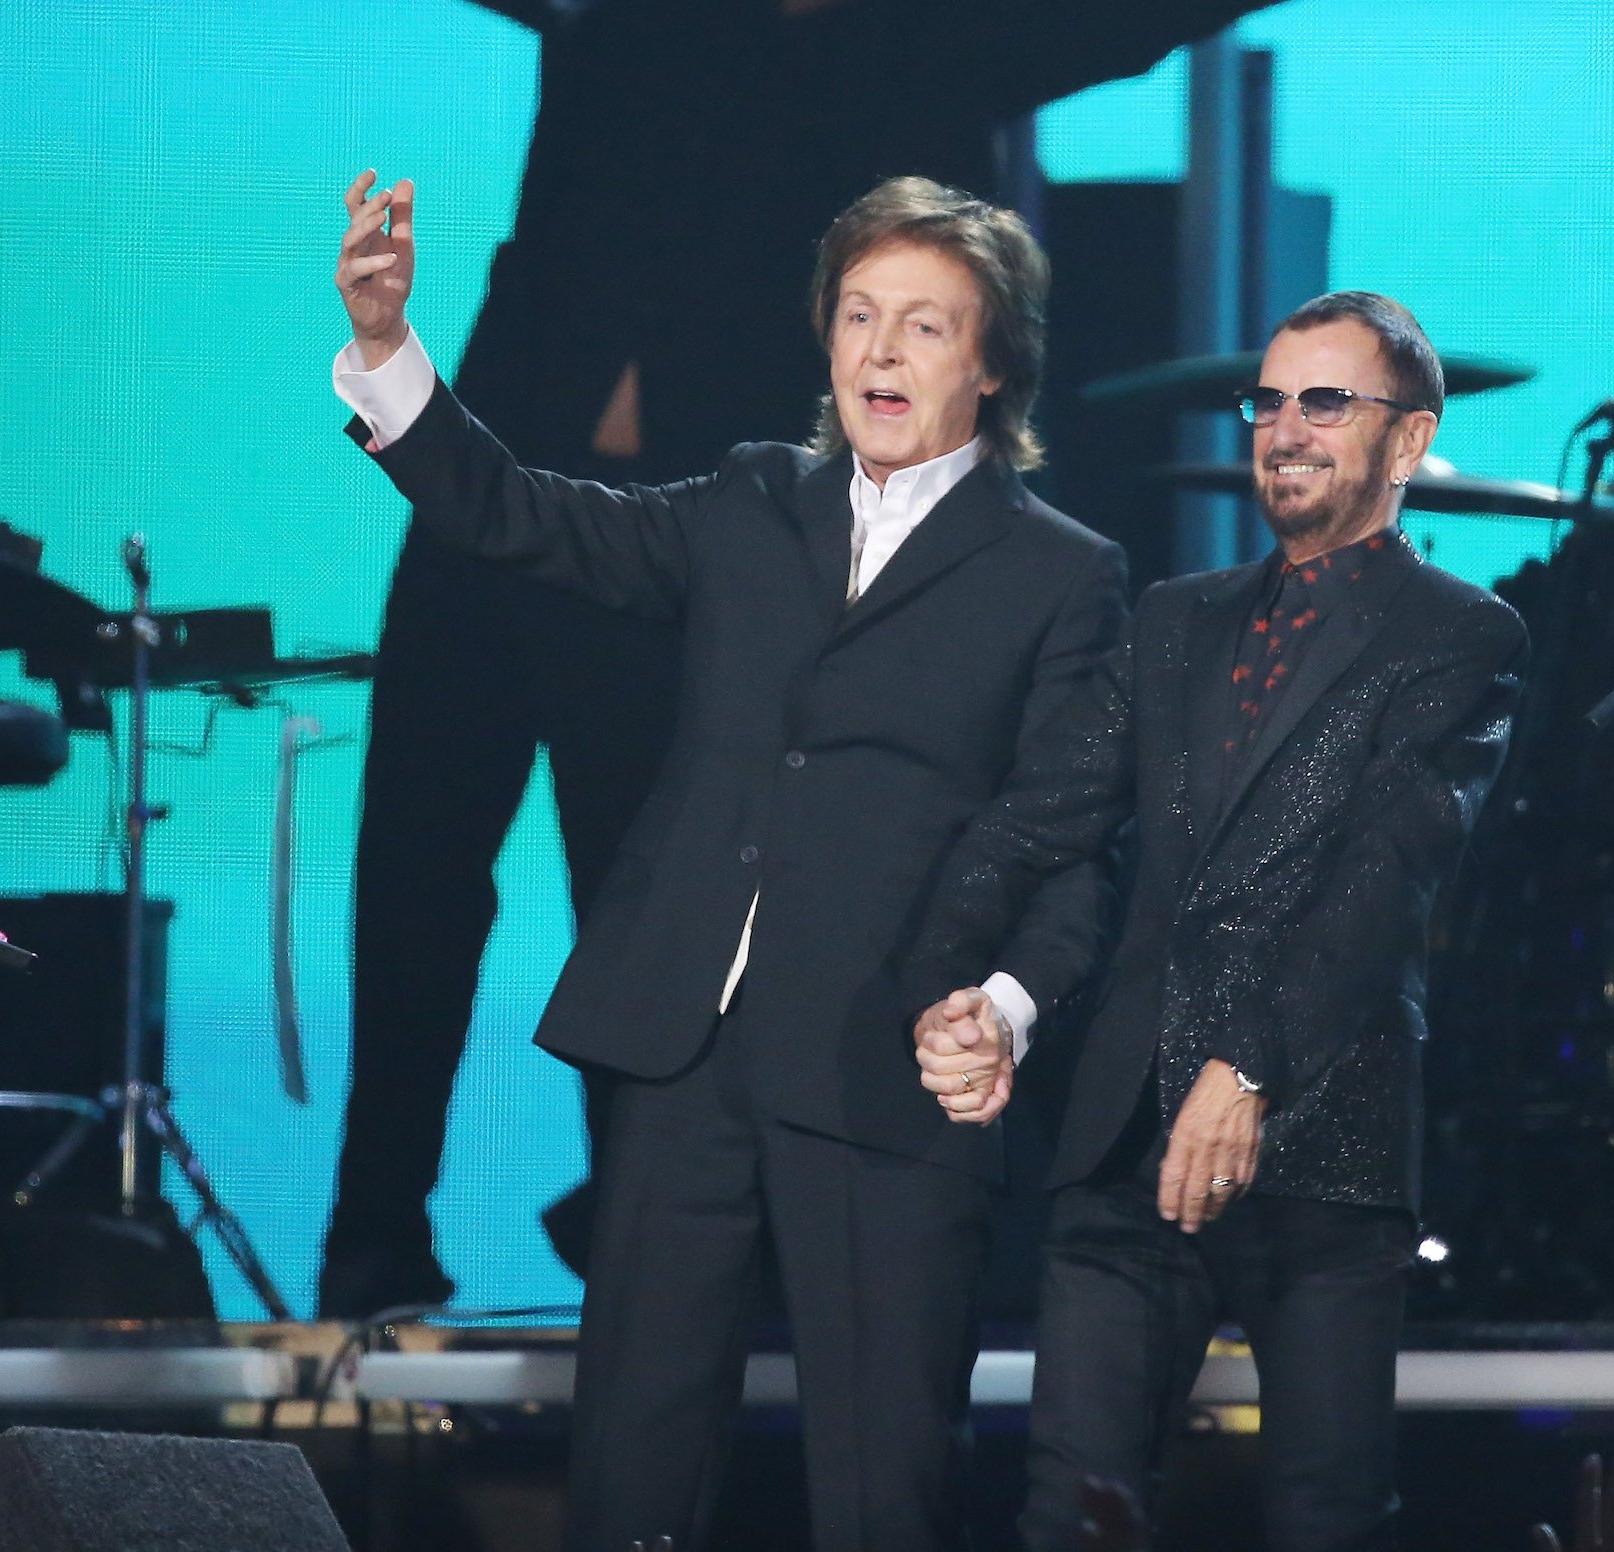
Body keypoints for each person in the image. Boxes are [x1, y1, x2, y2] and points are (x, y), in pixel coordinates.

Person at [322, 0, 1276, 1316]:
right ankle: (371, 1238)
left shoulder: (926, 43)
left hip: (688, 544)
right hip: (514, 481)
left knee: (650, 892)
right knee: (416, 861)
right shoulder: (634, 25)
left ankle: (649, 1254)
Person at [330, 172, 1125, 1551]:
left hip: (887, 1062)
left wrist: (1001, 1010)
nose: (881, 351)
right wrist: (393, 355)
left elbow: (1072, 845)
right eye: (860, 316)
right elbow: (525, 516)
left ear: (995, 364)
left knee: (884, 1484)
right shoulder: (757, 499)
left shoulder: (1060, 573)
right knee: (632, 1466)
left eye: (926, 327)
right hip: (684, 1050)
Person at [905, 292, 1530, 1550]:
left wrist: (1243, 1064)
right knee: (1071, 1512)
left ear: (1406, 443)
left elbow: (1380, 883)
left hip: (1320, 1131)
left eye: (1323, 401)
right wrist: (951, 984)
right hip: (1126, 1127)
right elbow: (1042, 818)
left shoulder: (1459, 635)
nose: (1283, 428)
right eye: (1268, 401)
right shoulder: (1173, 618)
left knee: (1323, 1515)